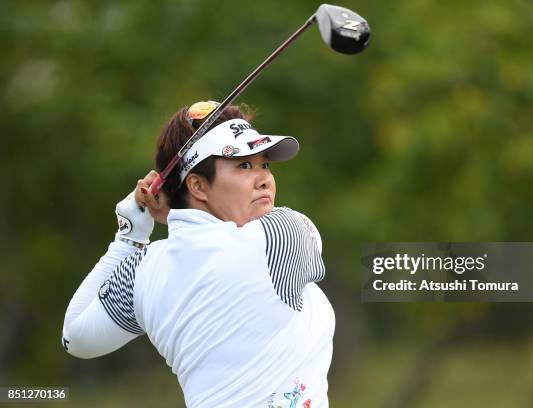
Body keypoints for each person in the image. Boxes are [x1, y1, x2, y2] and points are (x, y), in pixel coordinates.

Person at [62, 101, 335, 407]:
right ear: (197, 185)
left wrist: (129, 237)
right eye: (244, 165)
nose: (264, 179)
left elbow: (75, 338)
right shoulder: (280, 236)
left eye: (264, 165)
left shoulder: (141, 269)